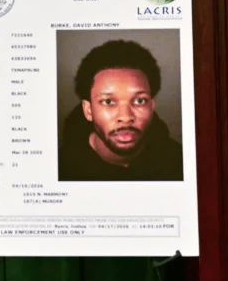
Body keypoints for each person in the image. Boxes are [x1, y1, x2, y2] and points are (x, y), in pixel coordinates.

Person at [58, 39, 184, 181]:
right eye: (108, 101)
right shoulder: (60, 170)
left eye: (139, 100)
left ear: (152, 106)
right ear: (88, 110)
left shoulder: (180, 162)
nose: (125, 117)